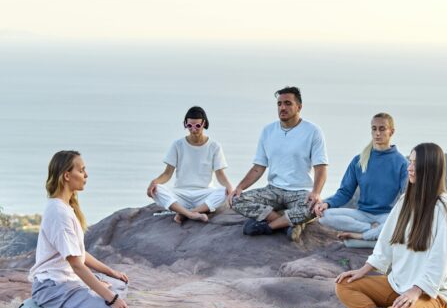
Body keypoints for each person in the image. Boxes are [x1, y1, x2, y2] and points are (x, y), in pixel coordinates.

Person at [325, 142, 447, 308]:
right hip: (398, 283)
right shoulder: (406, 199)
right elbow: (386, 241)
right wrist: (364, 270)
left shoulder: (443, 207)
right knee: (345, 284)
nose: (409, 167)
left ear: (430, 168)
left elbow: (440, 260)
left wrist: (416, 291)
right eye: (410, 161)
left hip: (434, 292)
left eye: (416, 164)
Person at [29, 150, 131, 308]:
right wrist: (112, 299)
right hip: (53, 288)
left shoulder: (66, 207)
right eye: (82, 170)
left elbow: (80, 253)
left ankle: (87, 301)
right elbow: (76, 264)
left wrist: (111, 272)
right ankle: (85, 304)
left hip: (67, 282)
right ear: (67, 175)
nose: (86, 175)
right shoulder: (58, 213)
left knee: (119, 284)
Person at [229, 86, 328, 241]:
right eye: (279, 104)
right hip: (273, 190)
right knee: (235, 200)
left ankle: (269, 226)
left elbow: (321, 168)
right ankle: (287, 223)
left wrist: (315, 193)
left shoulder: (313, 131)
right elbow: (258, 167)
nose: (282, 107)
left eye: (288, 103)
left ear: (299, 107)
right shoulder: (268, 131)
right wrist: (239, 187)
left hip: (300, 191)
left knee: (313, 209)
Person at [313, 112, 407, 242]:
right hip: (362, 215)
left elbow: (406, 196)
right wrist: (327, 203)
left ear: (391, 132)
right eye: (374, 129)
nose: (377, 133)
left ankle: (364, 236)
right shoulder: (359, 160)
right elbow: (345, 192)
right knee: (324, 216)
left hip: (386, 215)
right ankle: (372, 231)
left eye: (382, 129)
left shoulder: (402, 163)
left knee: (400, 223)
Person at [147, 106, 233, 224]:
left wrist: (230, 188)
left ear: (204, 124)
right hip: (181, 194)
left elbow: (220, 174)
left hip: (204, 194)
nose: (193, 129)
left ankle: (185, 213)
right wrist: (154, 183)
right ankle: (191, 214)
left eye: (197, 126)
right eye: (190, 126)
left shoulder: (214, 146)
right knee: (157, 189)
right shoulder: (177, 145)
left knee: (224, 191)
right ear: (185, 124)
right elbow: (167, 174)